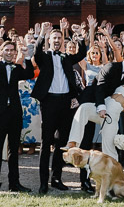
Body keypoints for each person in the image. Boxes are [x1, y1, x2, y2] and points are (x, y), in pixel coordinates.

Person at [29, 20, 89, 193]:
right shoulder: (44, 57)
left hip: (65, 103)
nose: (56, 40)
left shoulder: (66, 57)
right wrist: (42, 34)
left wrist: (79, 35)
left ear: (62, 41)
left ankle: (56, 178)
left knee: (61, 143)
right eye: (54, 38)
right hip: (49, 102)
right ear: (49, 40)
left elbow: (81, 53)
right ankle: (43, 182)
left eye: (59, 38)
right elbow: (36, 51)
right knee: (46, 142)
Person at [0, 38, 35, 192]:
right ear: (1, 52)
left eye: (12, 50)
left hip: (14, 113)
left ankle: (14, 183)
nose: (9, 52)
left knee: (14, 149)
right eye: (7, 50)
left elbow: (30, 73)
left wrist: (26, 56)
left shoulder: (16, 68)